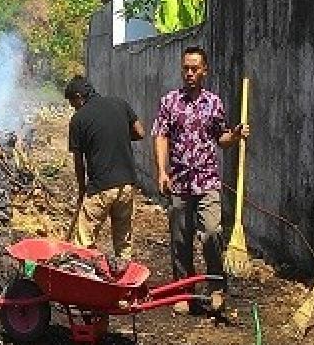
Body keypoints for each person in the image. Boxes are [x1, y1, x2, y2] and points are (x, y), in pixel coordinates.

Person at [151, 46, 249, 309]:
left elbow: (222, 138)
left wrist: (236, 135)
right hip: (180, 183)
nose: (190, 73)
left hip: (207, 181)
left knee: (212, 233)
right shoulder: (170, 101)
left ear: (204, 70)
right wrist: (162, 170)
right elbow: (161, 135)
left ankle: (216, 286)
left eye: (195, 68)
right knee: (180, 238)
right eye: (186, 68)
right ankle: (184, 290)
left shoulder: (214, 103)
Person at [64, 75, 146, 261]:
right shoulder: (120, 104)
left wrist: (82, 189)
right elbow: (140, 132)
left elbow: (79, 162)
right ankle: (123, 281)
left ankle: (82, 282)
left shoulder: (78, 120)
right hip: (127, 185)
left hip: (101, 187)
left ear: (79, 96)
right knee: (123, 240)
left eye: (72, 102)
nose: (73, 107)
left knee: (82, 242)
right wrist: (119, 136)